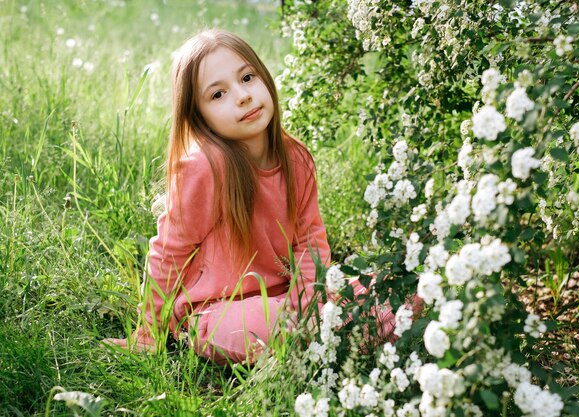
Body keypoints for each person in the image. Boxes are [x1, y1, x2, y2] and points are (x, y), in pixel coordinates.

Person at [105, 29, 399, 365]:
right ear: (199, 117)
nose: (243, 96)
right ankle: (337, 334)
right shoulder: (204, 169)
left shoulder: (296, 159)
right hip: (218, 310)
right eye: (218, 95)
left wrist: (305, 304)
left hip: (286, 297)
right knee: (253, 327)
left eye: (247, 77)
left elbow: (310, 242)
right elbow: (169, 253)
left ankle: (327, 331)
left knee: (395, 286)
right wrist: (147, 333)